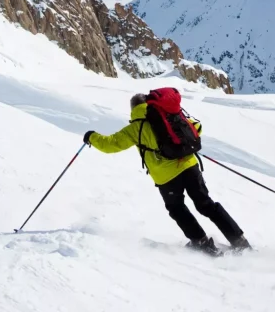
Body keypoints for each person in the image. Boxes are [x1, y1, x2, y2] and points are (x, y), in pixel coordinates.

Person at [83, 92, 251, 255]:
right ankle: (239, 241)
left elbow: (110, 145)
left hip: (167, 177)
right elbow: (197, 128)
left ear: (133, 108)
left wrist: (91, 137)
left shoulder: (135, 128)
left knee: (177, 208)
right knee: (206, 204)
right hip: (190, 166)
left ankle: (200, 241)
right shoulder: (171, 115)